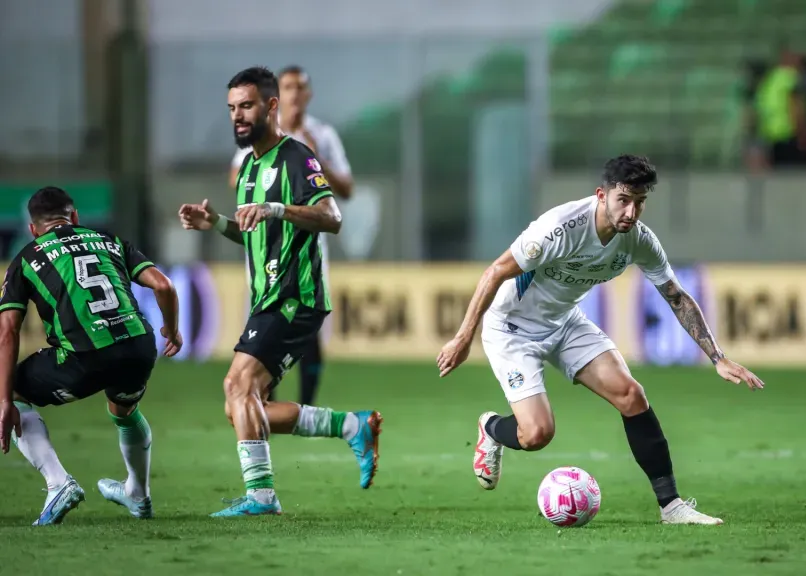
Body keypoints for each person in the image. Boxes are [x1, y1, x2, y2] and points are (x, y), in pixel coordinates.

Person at [436, 155, 765, 525]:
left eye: (640, 202)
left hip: (565, 322)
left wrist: (717, 357)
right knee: (537, 434)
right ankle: (492, 428)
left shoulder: (639, 241)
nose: (631, 211)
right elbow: (495, 271)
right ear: (601, 195)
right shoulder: (558, 228)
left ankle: (672, 507)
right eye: (623, 199)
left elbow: (676, 295)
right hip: (513, 329)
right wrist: (463, 337)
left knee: (631, 395)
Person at [178, 66, 381, 518]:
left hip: (295, 295)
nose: (238, 116)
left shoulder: (297, 156)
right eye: (232, 109)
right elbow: (253, 234)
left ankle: (262, 497)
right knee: (244, 409)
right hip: (267, 299)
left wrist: (275, 208)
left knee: (237, 384)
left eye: (246, 106)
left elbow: (332, 217)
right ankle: (352, 426)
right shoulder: (249, 165)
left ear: (271, 107)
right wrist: (217, 224)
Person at [0, 187, 182, 525]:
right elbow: (164, 286)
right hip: (138, 347)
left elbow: (8, 331)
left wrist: (4, 400)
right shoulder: (108, 239)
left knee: (12, 391)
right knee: (124, 409)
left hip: (84, 356)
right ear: (75, 217)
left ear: (33, 229)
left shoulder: (27, 257)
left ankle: (58, 484)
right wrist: (171, 330)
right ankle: (138, 495)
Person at [229, 65, 354, 407]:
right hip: (263, 258)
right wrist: (213, 221)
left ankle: (308, 402)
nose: (295, 94)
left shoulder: (315, 140)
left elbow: (342, 194)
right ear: (278, 96)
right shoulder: (252, 149)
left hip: (302, 254)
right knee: (243, 392)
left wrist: (313, 156)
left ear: (308, 94)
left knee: (244, 386)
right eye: (288, 87)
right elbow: (241, 186)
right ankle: (323, 418)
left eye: (300, 87)